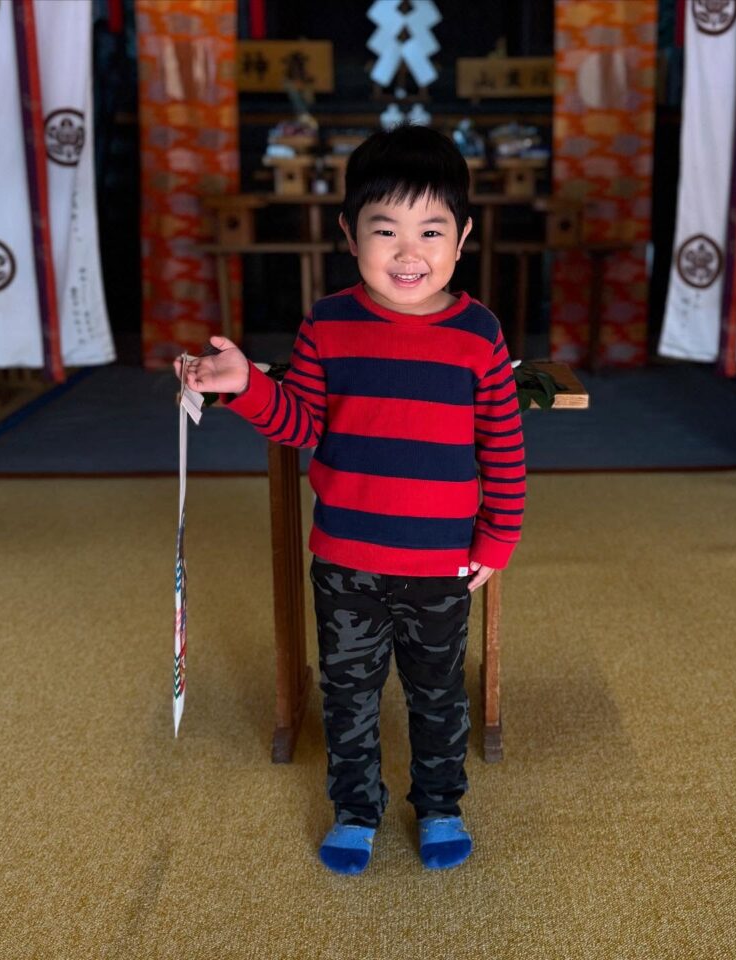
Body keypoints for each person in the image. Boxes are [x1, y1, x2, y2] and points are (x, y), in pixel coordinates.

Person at [176, 124, 526, 874]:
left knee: (438, 695)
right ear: (349, 233)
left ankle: (440, 805)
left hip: (439, 564)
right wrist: (246, 385)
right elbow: (301, 422)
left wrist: (497, 538)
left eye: (431, 230)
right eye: (385, 229)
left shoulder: (479, 335)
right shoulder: (328, 323)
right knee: (349, 694)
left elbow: (503, 446)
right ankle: (356, 810)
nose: (408, 251)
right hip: (345, 561)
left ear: (463, 237)